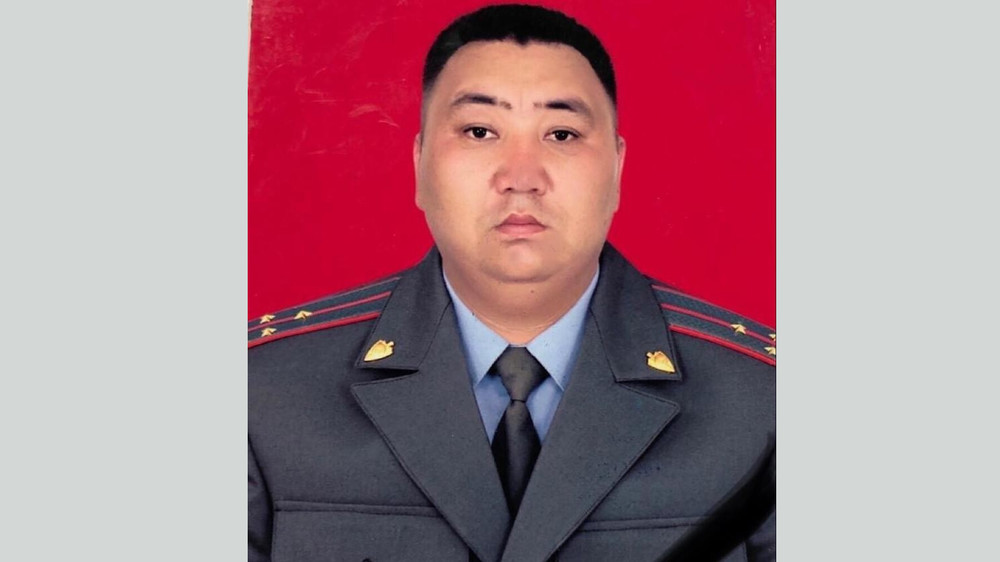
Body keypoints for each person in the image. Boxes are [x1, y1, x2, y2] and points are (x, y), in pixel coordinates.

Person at [248, 4, 775, 561]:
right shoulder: (263, 393)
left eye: (562, 133)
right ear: (419, 163)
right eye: (480, 131)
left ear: (618, 170)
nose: (521, 177)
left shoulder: (764, 404)